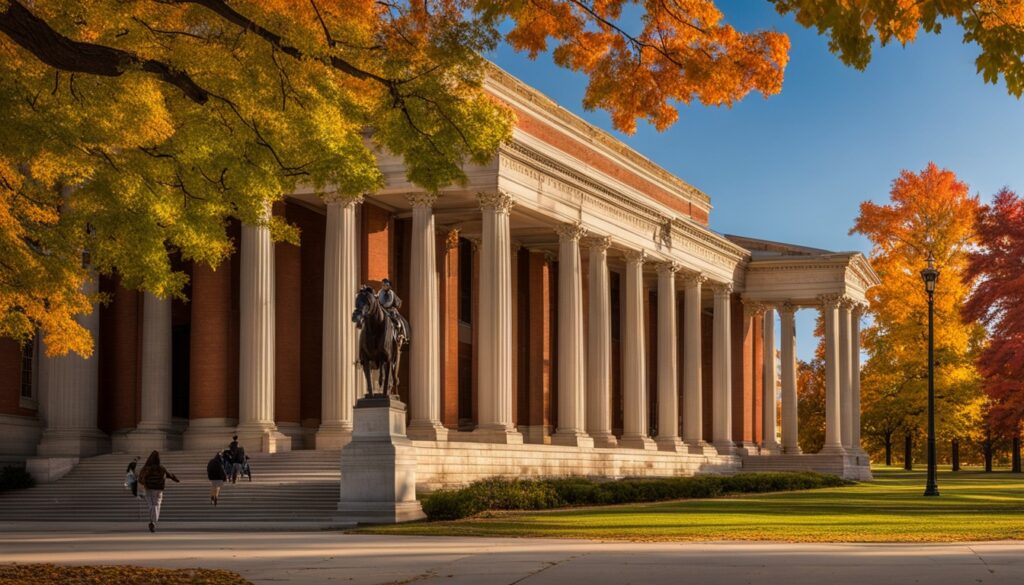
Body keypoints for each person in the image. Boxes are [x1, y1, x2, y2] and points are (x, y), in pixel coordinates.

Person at [137, 450, 179, 533]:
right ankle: (153, 521)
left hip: (148, 488)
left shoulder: (146, 468)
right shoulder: (161, 468)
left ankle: (152, 521)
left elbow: (140, 478)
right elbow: (169, 475)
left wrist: (142, 484)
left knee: (151, 505)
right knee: (157, 505)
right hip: (158, 489)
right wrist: (176, 479)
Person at [378, 278, 409, 344]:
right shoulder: (380, 292)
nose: (384, 286)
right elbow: (377, 299)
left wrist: (396, 304)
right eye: (383, 285)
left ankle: (401, 334)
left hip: (390, 310)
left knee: (398, 321)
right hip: (381, 309)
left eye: (386, 285)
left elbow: (397, 303)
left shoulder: (392, 293)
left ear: (389, 286)